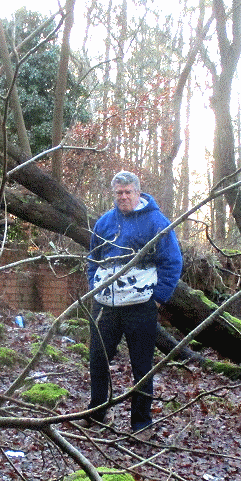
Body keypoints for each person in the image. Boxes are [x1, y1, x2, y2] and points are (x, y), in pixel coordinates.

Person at [86, 171, 182, 436]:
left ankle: (141, 423)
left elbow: (172, 261)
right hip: (105, 306)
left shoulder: (156, 222)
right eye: (119, 193)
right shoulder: (104, 223)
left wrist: (158, 299)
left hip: (141, 305)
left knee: (141, 365)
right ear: (114, 194)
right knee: (98, 359)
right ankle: (97, 413)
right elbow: (92, 259)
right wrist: (94, 287)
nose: (124, 197)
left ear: (138, 193)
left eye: (128, 192)